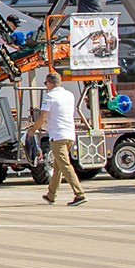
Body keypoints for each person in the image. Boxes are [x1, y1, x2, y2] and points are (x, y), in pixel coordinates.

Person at [40, 70, 88, 206]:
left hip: (57, 136)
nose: (46, 86)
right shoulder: (69, 95)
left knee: (65, 166)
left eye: (45, 83)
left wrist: (33, 129)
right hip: (69, 135)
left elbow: (43, 117)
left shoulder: (49, 97)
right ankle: (51, 194)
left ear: (49, 83)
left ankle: (79, 194)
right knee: (58, 166)